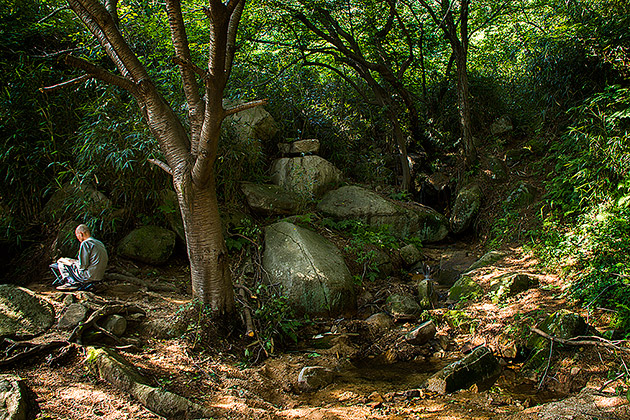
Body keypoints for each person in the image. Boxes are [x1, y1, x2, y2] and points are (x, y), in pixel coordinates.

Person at [52, 224, 108, 291]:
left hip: (88, 275)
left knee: (61, 262)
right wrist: (74, 261)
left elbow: (83, 266)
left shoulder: (85, 243)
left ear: (81, 234)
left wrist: (70, 262)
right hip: (99, 275)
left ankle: (71, 283)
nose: (77, 238)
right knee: (70, 261)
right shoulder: (99, 243)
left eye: (77, 235)